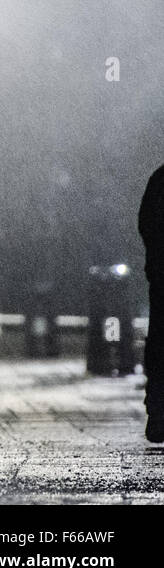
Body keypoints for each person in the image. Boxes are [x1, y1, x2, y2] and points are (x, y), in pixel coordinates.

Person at [137, 164, 164, 443]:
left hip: (161, 277)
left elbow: (145, 223)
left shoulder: (158, 179)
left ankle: (157, 411)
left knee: (158, 342)